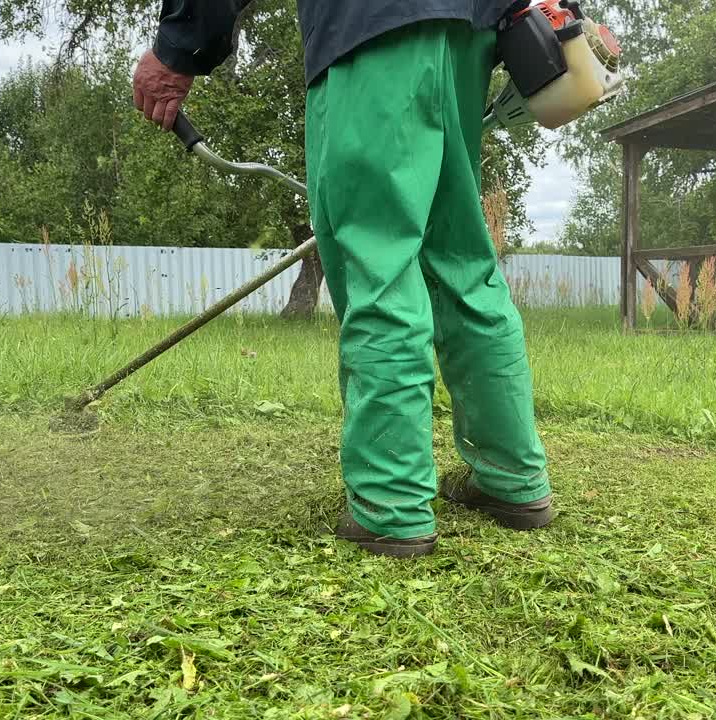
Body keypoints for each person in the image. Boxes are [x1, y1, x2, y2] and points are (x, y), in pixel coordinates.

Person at [133, 1, 554, 558]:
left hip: (369, 26)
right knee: (462, 262)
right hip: (469, 35)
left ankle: (392, 506)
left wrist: (179, 46)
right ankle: (513, 482)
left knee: (379, 263)